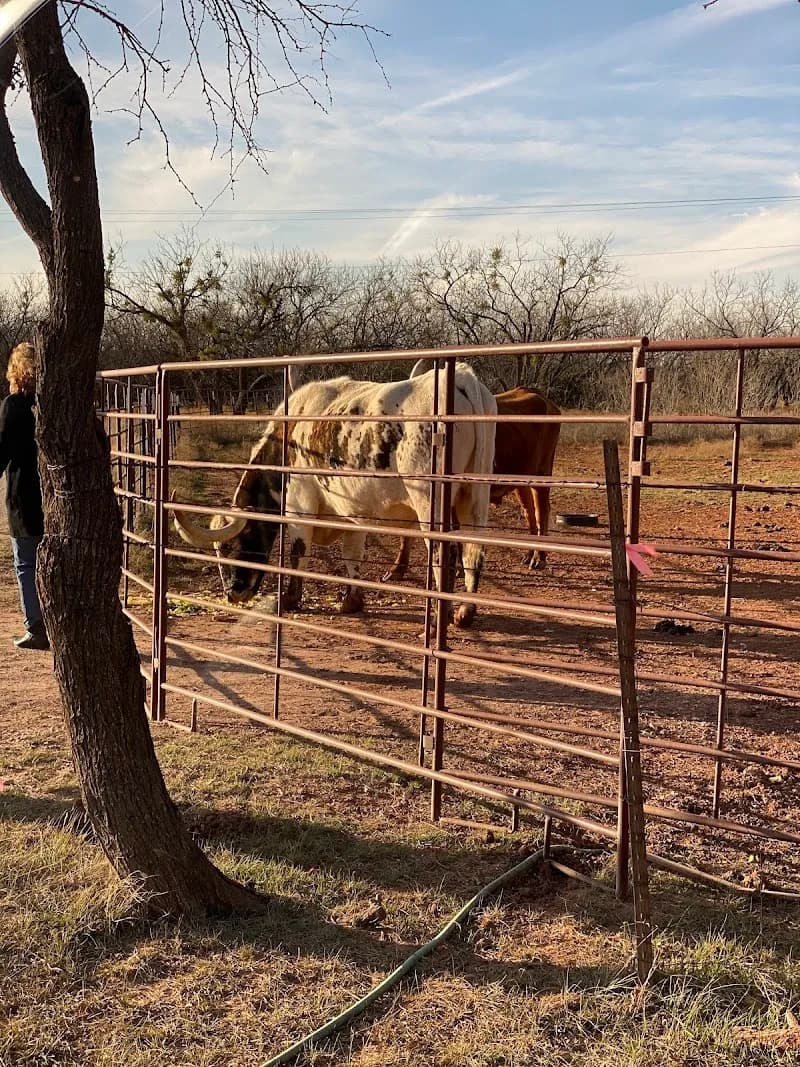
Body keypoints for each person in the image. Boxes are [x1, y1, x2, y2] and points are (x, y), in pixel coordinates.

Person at [0, 341, 49, 651]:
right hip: (55, 494)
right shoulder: (53, 404)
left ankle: (35, 626)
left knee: (26, 564)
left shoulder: (13, 406)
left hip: (24, 496)